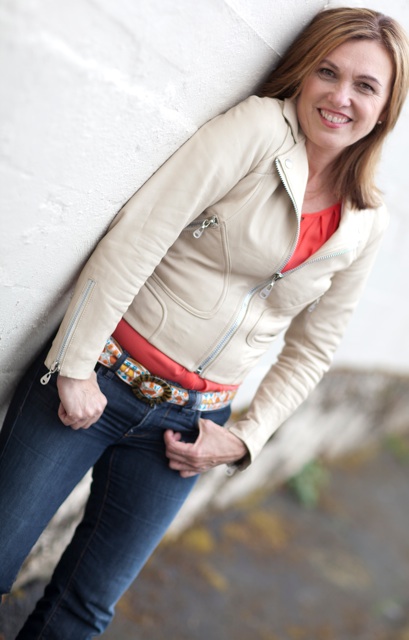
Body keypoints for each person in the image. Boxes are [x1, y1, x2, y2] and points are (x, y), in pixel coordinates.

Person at [1, 6, 408, 638]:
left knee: (85, 609)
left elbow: (314, 348)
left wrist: (246, 438)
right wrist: (75, 365)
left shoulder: (366, 221)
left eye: (365, 86)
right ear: (303, 73)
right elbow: (141, 234)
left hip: (190, 430)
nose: (340, 97)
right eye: (327, 72)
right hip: (98, 378)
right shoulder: (258, 129)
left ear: (385, 108)